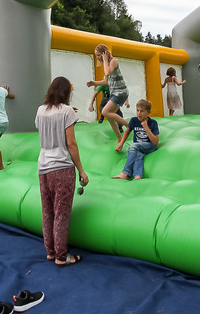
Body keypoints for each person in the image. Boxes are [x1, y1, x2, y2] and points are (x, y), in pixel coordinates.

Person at [35, 76, 88, 266]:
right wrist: (81, 170)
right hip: (62, 168)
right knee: (61, 213)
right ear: (66, 93)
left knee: (48, 211)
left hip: (43, 167)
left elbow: (47, 125)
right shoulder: (67, 112)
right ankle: (61, 256)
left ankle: (51, 252)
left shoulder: (41, 110)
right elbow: (71, 143)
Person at [113, 99, 160, 180]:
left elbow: (155, 142)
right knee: (138, 154)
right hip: (138, 147)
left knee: (133, 146)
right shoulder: (134, 120)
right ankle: (138, 175)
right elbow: (127, 131)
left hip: (149, 145)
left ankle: (125, 173)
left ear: (148, 112)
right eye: (137, 110)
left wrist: (146, 127)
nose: (139, 113)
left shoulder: (153, 123)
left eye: (142, 111)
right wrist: (121, 144)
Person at [93, 44, 131, 140]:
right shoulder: (106, 64)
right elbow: (107, 82)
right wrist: (94, 83)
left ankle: (129, 125)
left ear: (104, 53)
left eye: (98, 55)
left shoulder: (113, 61)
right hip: (115, 92)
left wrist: (105, 59)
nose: (97, 58)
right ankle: (119, 138)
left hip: (120, 92)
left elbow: (107, 72)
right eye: (96, 56)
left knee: (105, 111)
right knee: (110, 116)